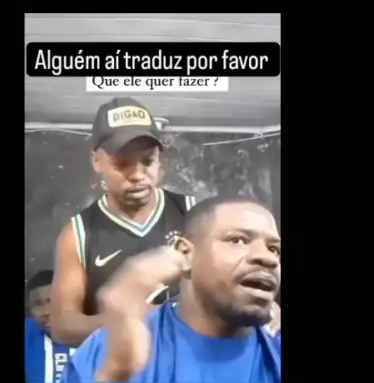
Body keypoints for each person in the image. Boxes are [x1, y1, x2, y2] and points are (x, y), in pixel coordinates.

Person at [26, 197, 281, 383]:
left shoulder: (275, 354)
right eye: (238, 240)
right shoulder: (109, 348)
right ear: (185, 253)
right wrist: (115, 375)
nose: (266, 257)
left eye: (274, 249)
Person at [50, 96, 280, 348]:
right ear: (97, 161)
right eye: (122, 164)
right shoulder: (78, 233)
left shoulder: (196, 214)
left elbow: (233, 283)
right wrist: (146, 319)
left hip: (196, 359)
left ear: (160, 161)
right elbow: (63, 327)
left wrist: (261, 304)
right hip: (124, 366)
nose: (138, 175)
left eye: (148, 161)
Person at [24, 270, 75, 383]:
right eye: (38, 305)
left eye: (52, 301)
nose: (46, 312)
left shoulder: (92, 331)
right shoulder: (28, 333)